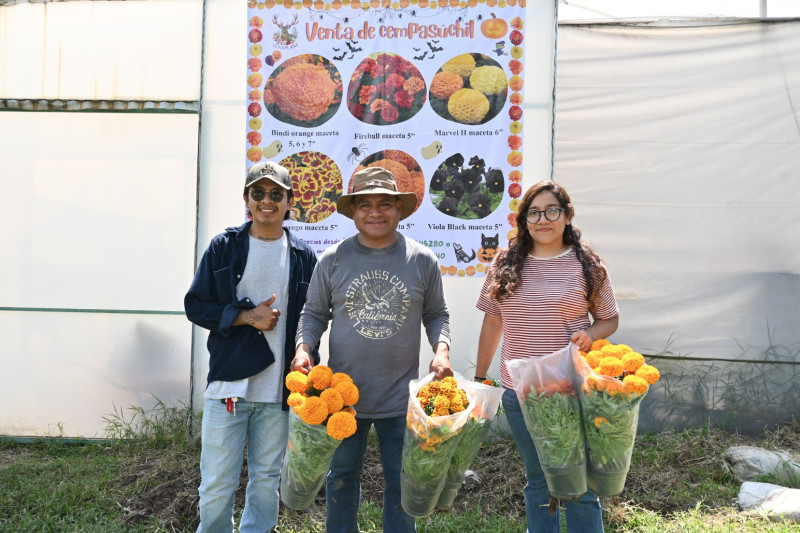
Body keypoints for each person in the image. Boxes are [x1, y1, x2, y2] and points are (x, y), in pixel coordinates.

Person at [291, 166, 453, 533]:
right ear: (353, 212)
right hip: (342, 398)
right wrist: (304, 349)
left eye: (385, 203)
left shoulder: (422, 259)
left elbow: (437, 313)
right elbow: (313, 313)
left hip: (401, 397)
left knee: (402, 480)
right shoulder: (332, 259)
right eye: (365, 204)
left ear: (400, 209)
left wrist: (441, 350)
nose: (375, 212)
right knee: (342, 476)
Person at [473, 180, 619, 533]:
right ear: (523, 221)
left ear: (567, 216)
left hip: (572, 388)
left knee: (578, 481)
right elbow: (493, 322)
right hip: (519, 392)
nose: (543, 219)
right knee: (538, 478)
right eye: (533, 212)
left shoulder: (588, 264)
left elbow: (609, 319)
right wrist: (480, 380)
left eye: (552, 210)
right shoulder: (505, 263)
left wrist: (591, 334)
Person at [184, 161, 319, 533]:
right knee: (216, 484)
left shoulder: (303, 255)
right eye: (258, 193)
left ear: (290, 201)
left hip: (277, 392)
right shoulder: (224, 247)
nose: (267, 202)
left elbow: (312, 315)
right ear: (246, 199)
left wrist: (306, 353)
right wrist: (246, 317)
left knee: (266, 480)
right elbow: (195, 306)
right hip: (230, 386)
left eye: (276, 194)